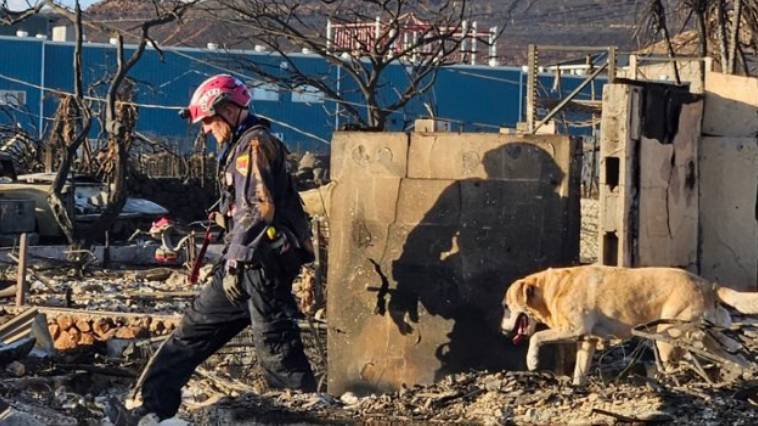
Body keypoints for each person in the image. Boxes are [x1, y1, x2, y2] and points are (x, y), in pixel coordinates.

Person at [132, 74, 317, 422]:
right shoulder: (241, 146)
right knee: (191, 332)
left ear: (230, 111)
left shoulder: (254, 146)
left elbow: (259, 209)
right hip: (243, 266)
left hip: (262, 266)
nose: (206, 130)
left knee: (276, 348)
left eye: (209, 122)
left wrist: (234, 262)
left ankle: (302, 416)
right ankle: (153, 409)